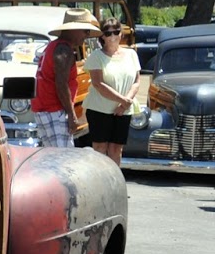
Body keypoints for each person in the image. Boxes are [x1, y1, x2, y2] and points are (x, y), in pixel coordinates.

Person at [30, 9, 100, 148]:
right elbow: (61, 84)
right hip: (54, 109)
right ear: (73, 30)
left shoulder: (54, 46)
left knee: (52, 156)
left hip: (45, 108)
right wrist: (71, 114)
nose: (86, 35)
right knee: (62, 158)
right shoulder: (64, 49)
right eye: (85, 31)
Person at [81, 15, 141, 165]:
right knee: (100, 148)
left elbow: (136, 81)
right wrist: (124, 101)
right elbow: (98, 83)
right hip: (99, 109)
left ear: (121, 33)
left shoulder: (131, 54)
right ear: (102, 36)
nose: (113, 36)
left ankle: (114, 182)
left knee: (116, 149)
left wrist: (125, 104)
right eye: (108, 33)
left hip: (124, 110)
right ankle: (100, 181)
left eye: (116, 32)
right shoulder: (96, 56)